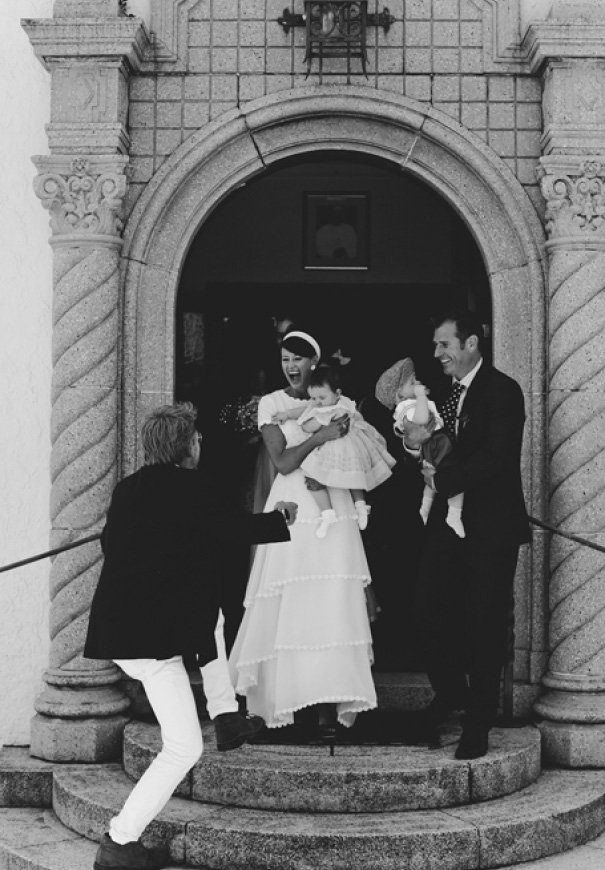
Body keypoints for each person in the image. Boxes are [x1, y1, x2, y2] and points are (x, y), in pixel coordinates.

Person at [84, 402, 297, 870]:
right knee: (183, 746)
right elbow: (232, 528)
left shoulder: (128, 489)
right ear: (186, 448)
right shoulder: (193, 488)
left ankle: (225, 715)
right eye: (197, 439)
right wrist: (281, 518)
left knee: (214, 619)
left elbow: (113, 545)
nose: (201, 444)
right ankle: (119, 843)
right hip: (149, 642)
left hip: (126, 630)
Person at [229, 329, 378, 739]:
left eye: (298, 359)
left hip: (333, 502)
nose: (290, 366)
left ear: (314, 363)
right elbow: (282, 461)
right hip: (292, 505)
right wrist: (321, 436)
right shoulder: (272, 404)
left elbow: (356, 444)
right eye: (284, 359)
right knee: (288, 597)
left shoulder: (333, 399)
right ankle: (280, 702)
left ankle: (329, 704)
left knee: (330, 598)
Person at [399, 310, 531, 760]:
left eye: (444, 344)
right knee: (426, 611)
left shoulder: (503, 391)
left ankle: (479, 722)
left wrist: (443, 479)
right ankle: (451, 691)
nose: (437, 354)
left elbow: (495, 457)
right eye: (436, 345)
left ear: (471, 343)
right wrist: (417, 448)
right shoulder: (443, 397)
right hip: (446, 524)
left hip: (491, 525)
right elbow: (431, 446)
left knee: (485, 623)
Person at [272, 363, 396, 538]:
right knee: (353, 476)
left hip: (336, 448)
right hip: (348, 446)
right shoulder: (341, 402)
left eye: (321, 398)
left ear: (337, 393)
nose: (316, 403)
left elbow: (310, 425)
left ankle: (332, 511)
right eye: (313, 398)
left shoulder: (334, 411)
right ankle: (357, 506)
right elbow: (306, 409)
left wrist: (306, 424)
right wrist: (287, 415)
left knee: (314, 476)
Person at [391, 358, 464, 538]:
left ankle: (427, 510)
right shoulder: (408, 406)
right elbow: (420, 423)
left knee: (435, 480)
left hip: (441, 451)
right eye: (412, 382)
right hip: (438, 448)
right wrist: (412, 445)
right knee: (447, 478)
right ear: (399, 395)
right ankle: (449, 514)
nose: (418, 383)